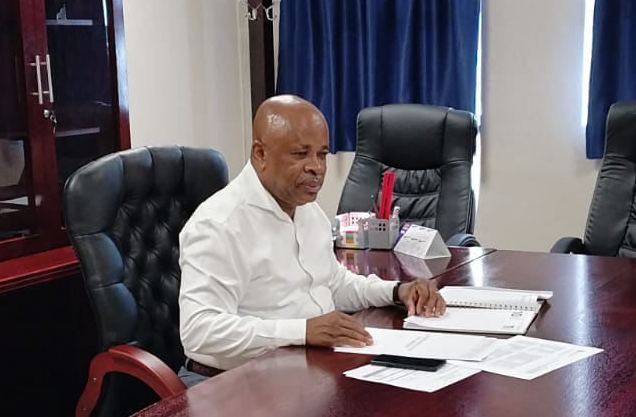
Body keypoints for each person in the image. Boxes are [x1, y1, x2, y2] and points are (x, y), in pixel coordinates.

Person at [178, 95, 446, 382]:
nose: (316, 167)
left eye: (321, 154)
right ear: (260, 154)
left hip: (305, 371)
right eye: (300, 154)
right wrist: (302, 331)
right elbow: (199, 331)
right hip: (231, 383)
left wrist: (396, 291)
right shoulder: (220, 224)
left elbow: (333, 284)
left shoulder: (308, 211)